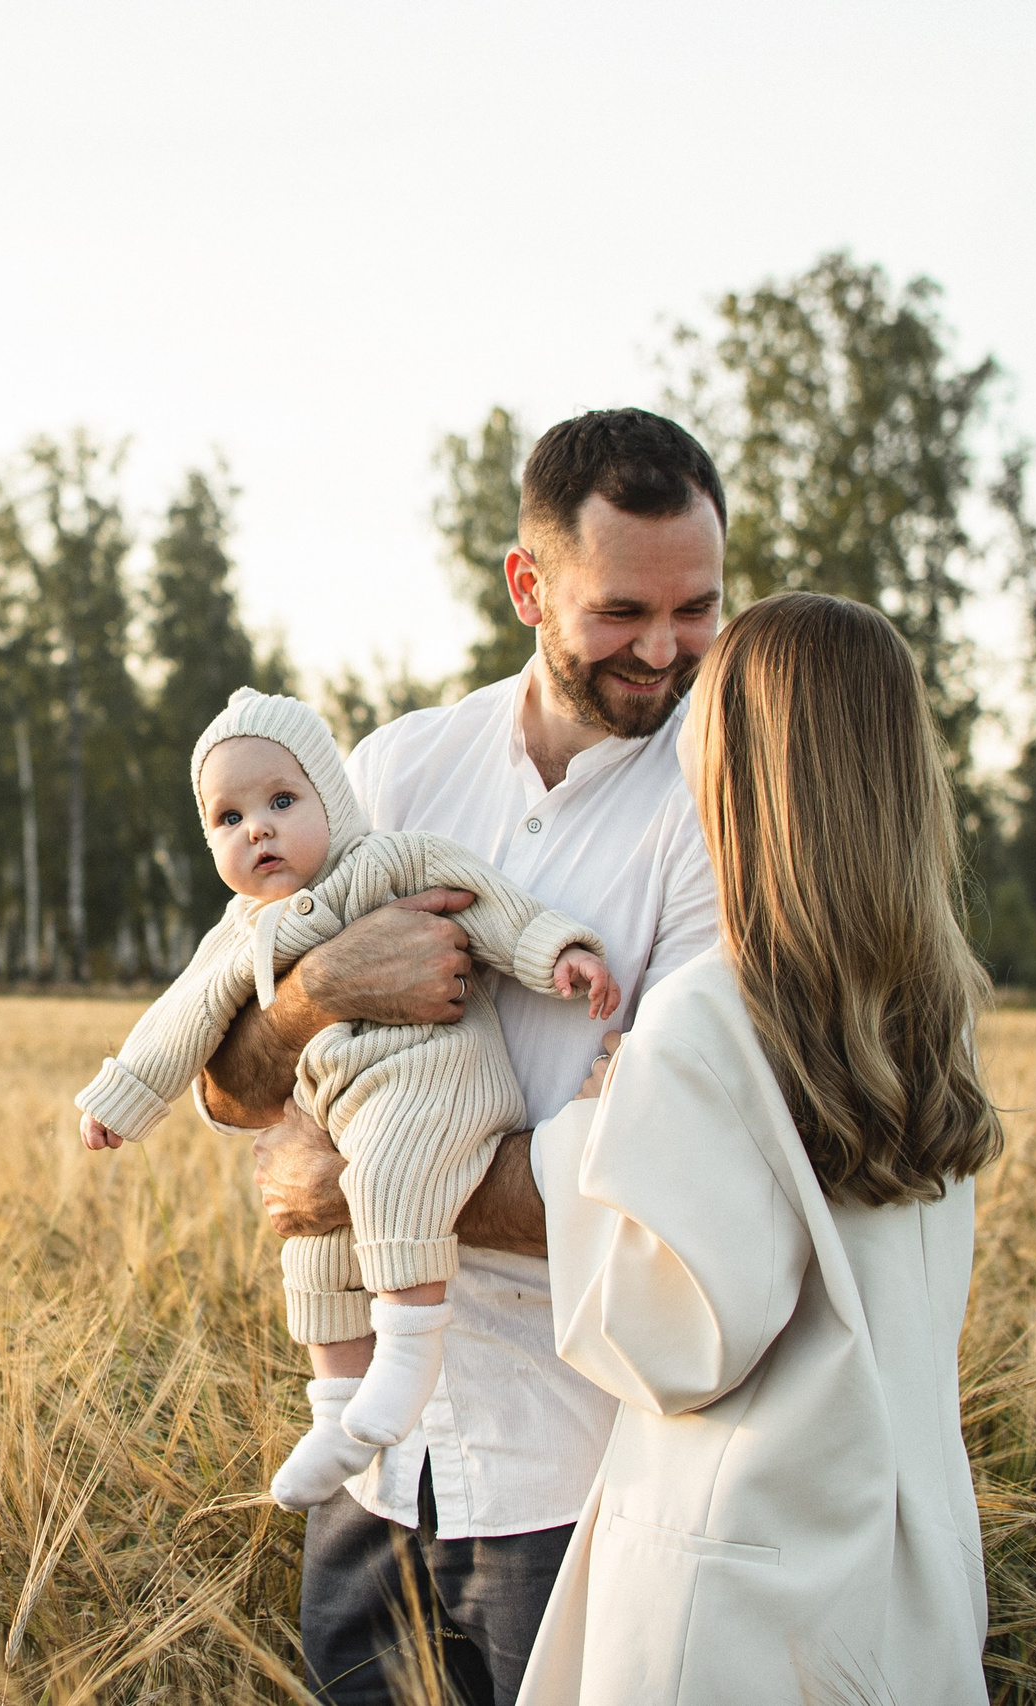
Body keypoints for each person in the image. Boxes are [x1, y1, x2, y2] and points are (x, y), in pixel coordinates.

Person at [200, 409, 725, 1704]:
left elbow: (674, 1180)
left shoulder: (723, 814)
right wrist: (317, 990)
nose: (665, 650)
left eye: (698, 607)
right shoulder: (390, 767)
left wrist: (358, 1183)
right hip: (372, 1462)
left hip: (579, 1476)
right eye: (622, 610)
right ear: (528, 584)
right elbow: (223, 1081)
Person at [518, 591, 999, 1705]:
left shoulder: (705, 1014)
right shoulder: (934, 1010)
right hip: (902, 1563)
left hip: (734, 1594)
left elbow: (669, 1342)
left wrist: (581, 1134)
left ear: (736, 772)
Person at [74, 688, 618, 1511]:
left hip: (437, 1081)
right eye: (228, 818)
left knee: (386, 1177)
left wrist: (559, 952)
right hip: (340, 1106)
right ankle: (335, 1408)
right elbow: (180, 1019)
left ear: (332, 797)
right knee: (314, 1242)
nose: (257, 828)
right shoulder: (239, 933)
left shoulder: (391, 861)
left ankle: (404, 1365)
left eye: (282, 802)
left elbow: (498, 907)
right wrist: (123, 1096)